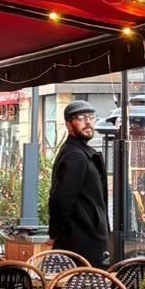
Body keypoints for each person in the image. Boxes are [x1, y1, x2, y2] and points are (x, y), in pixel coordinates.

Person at [48, 100, 110, 265]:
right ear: (69, 125)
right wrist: (54, 234)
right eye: (81, 118)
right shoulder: (75, 155)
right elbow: (61, 199)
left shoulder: (82, 153)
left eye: (91, 117)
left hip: (87, 239)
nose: (88, 122)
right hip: (81, 242)